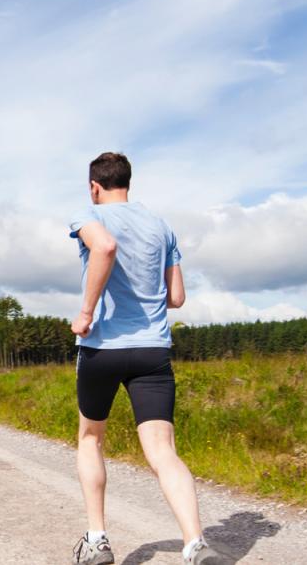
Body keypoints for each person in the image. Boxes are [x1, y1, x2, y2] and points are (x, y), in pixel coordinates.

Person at [68, 152, 222, 565]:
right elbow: (176, 297)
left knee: (90, 438)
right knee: (162, 450)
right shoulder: (161, 226)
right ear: (128, 182)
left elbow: (105, 246)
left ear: (95, 186)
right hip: (152, 351)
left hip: (100, 348)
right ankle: (194, 543)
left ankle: (97, 540)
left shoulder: (87, 216)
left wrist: (86, 313)